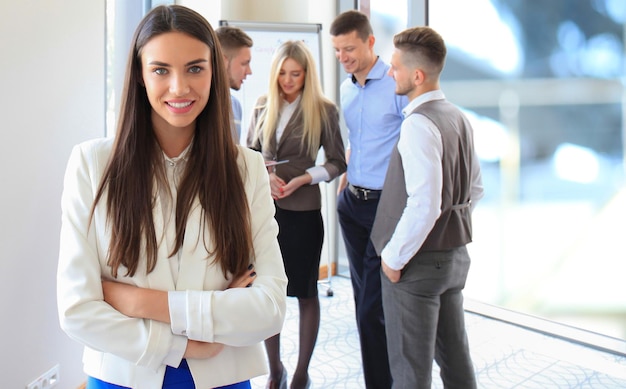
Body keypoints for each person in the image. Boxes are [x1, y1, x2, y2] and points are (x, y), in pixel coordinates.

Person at [56, 5, 287, 389]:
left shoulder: (245, 168)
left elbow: (269, 309)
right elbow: (77, 310)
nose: (179, 87)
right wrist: (184, 344)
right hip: (124, 376)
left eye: (195, 68)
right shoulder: (92, 164)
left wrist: (138, 302)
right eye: (161, 69)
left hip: (223, 379)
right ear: (141, 76)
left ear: (214, 72)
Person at [370, 26, 484, 388]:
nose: (390, 72)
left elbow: (424, 204)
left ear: (416, 76)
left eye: (395, 66)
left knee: (409, 371)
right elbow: (475, 189)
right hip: (453, 259)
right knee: (456, 360)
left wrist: (392, 258)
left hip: (417, 266)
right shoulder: (457, 116)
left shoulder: (418, 124)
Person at [247, 40, 346, 389]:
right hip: (267, 212)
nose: (288, 81)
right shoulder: (262, 105)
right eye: (283, 73)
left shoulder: (323, 109)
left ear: (307, 75)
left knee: (306, 291)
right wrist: (266, 175)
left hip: (304, 212)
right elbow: (249, 152)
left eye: (296, 74)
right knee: (268, 290)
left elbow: (337, 162)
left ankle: (301, 372)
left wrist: (306, 177)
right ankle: (275, 369)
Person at [329, 10, 407, 389]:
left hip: (384, 207)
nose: (344, 57)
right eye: (338, 50)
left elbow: (411, 142)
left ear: (370, 42)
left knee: (371, 309)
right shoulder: (346, 88)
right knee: (364, 303)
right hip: (351, 204)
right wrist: (348, 168)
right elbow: (358, 139)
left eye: (350, 48)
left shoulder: (394, 85)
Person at [216, 25, 253, 144]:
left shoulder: (236, 106)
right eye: (244, 64)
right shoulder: (200, 104)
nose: (249, 71)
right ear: (223, 61)